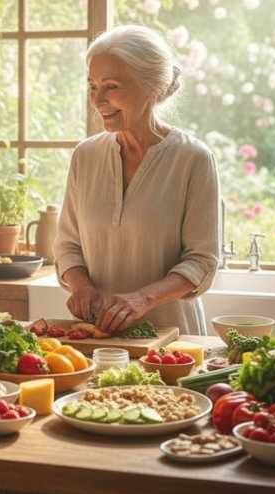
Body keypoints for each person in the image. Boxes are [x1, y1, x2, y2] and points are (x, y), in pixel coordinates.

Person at [54, 25, 219, 336]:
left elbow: (202, 261)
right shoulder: (85, 156)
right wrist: (81, 287)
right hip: (96, 336)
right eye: (92, 86)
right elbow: (67, 245)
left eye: (111, 86)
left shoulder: (193, 158)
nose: (98, 100)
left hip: (171, 341)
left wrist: (143, 299)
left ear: (152, 87)